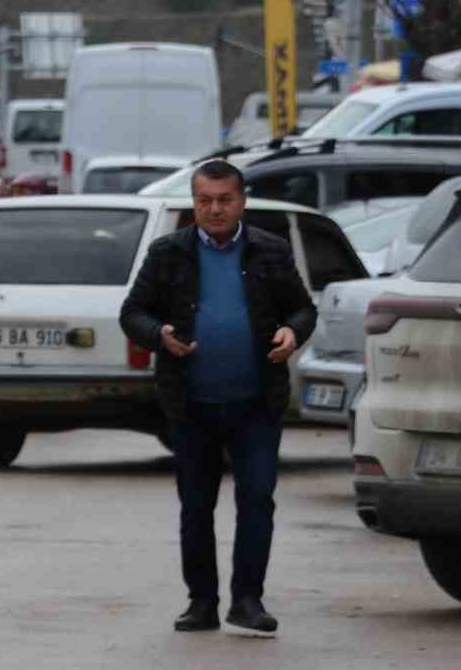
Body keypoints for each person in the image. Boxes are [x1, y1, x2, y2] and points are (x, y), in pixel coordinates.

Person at [119, 159, 316, 635]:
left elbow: (302, 308)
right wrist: (159, 334)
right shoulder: (169, 252)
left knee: (256, 500)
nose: (214, 210)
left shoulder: (269, 250)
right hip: (191, 405)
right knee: (196, 506)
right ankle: (201, 602)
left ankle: (247, 600)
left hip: (256, 404)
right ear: (194, 202)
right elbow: (133, 313)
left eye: (224, 200)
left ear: (241, 200)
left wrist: (292, 332)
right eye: (204, 201)